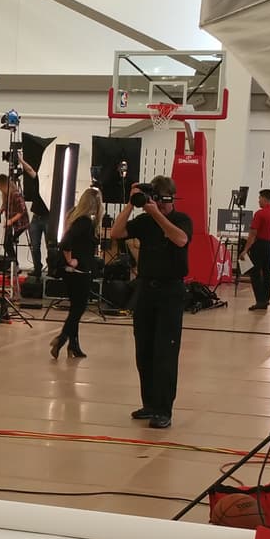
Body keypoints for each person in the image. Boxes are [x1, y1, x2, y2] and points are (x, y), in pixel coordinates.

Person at [110, 176, 192, 430]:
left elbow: (181, 239)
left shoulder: (181, 219)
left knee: (165, 352)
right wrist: (131, 203)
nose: (160, 205)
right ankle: (149, 403)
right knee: (144, 350)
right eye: (156, 200)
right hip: (146, 289)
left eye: (163, 201)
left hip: (170, 291)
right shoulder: (145, 221)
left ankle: (163, 409)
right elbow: (116, 233)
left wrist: (157, 214)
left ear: (171, 199)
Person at [52, 188, 101, 359]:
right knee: (79, 308)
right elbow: (66, 242)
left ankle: (74, 345)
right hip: (79, 271)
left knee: (75, 307)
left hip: (72, 271)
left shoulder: (74, 217)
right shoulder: (85, 222)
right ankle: (62, 339)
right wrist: (70, 259)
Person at [241, 188, 270, 311]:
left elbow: (253, 233)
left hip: (260, 245)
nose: (258, 200)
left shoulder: (260, 214)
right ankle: (266, 299)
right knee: (268, 273)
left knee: (254, 272)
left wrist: (245, 249)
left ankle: (260, 300)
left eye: (259, 198)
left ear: (264, 199)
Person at [0, 173, 29, 262]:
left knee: (8, 244)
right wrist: (0, 211)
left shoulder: (16, 194)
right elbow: (5, 205)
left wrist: (11, 221)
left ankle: (14, 263)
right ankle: (13, 263)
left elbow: (22, 211)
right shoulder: (5, 195)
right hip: (11, 223)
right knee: (7, 244)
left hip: (20, 224)